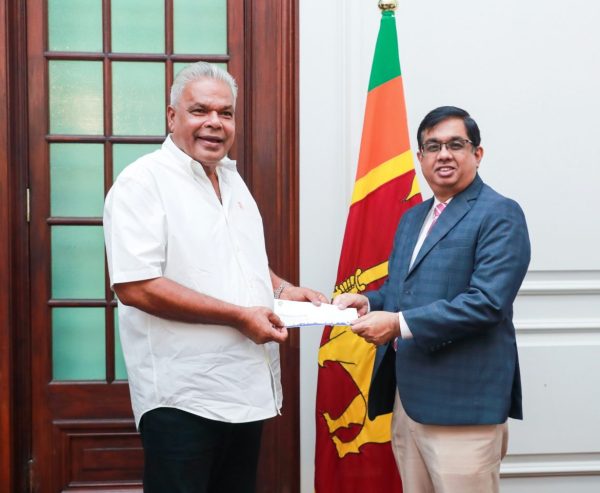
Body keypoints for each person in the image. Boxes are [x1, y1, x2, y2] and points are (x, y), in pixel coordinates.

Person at [103, 61, 327, 493]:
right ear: (172, 117)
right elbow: (136, 286)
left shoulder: (231, 179)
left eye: (225, 113)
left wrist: (284, 289)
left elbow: (241, 260)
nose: (214, 122)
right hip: (183, 399)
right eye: (200, 110)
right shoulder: (142, 182)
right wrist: (238, 316)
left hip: (246, 392)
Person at [334, 106, 530, 493]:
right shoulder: (413, 218)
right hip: (408, 402)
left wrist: (397, 324)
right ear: (420, 157)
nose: (444, 155)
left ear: (477, 154)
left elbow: (486, 303)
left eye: (456, 144)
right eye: (433, 146)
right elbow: (401, 292)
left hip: (463, 407)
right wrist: (369, 303)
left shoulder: (500, 214)